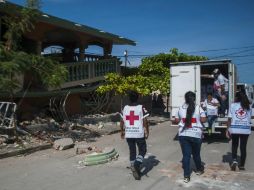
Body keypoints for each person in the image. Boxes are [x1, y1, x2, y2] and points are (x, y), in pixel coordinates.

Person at [174, 91, 206, 183]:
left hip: (183, 134)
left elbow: (176, 120)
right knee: (196, 154)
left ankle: (186, 176)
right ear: (194, 99)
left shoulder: (180, 108)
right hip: (196, 135)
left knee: (186, 155)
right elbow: (203, 119)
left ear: (185, 98)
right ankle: (199, 169)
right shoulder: (198, 108)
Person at [120, 90, 149, 180]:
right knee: (143, 150)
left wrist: (122, 131)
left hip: (129, 133)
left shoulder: (125, 108)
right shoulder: (141, 107)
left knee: (132, 151)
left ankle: (134, 167)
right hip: (139, 133)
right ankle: (136, 165)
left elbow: (122, 121)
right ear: (138, 97)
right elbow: (145, 121)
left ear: (129, 98)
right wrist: (147, 131)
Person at [226, 91, 254, 171]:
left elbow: (229, 118)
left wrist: (227, 129)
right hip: (245, 129)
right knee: (243, 147)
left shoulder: (233, 105)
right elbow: (251, 117)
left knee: (234, 145)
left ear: (237, 97)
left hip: (235, 128)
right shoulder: (248, 106)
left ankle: (234, 160)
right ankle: (242, 165)